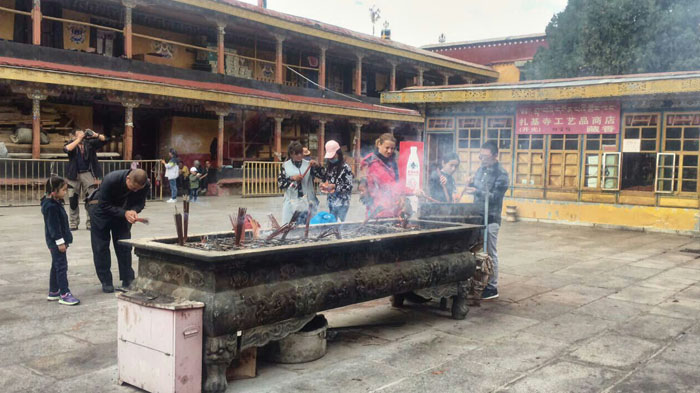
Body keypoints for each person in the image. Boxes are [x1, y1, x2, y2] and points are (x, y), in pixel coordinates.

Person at [89, 168, 150, 293]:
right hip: (101, 212)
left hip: (124, 212)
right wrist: (125, 213)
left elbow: (140, 203)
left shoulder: (145, 184)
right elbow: (103, 205)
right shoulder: (110, 179)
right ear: (128, 178)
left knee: (124, 245)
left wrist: (134, 210)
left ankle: (128, 278)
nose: (136, 191)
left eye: (138, 189)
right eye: (133, 188)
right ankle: (106, 280)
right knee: (101, 247)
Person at [463, 141, 509, 300]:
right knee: (474, 250)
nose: (482, 159)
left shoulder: (501, 174)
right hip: (477, 216)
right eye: (480, 156)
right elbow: (476, 186)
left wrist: (478, 191)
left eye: (485, 157)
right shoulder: (481, 169)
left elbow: (495, 197)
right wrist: (470, 182)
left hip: (491, 218)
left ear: (495, 156)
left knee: (490, 252)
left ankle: (492, 287)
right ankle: (476, 282)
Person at [359, 133, 420, 218]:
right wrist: (412, 191)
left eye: (392, 148)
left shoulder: (391, 162)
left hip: (391, 208)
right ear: (379, 145)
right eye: (387, 148)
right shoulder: (373, 163)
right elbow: (389, 184)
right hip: (378, 210)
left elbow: (397, 182)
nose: (389, 151)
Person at [41, 176, 80, 305]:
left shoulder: (55, 203)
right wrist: (60, 242)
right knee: (62, 266)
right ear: (54, 191)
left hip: (59, 241)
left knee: (56, 265)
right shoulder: (51, 206)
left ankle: (54, 291)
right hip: (57, 242)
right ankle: (64, 293)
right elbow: (54, 227)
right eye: (63, 190)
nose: (65, 192)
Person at [63, 128, 107, 230]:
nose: (83, 137)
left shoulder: (89, 144)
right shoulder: (71, 143)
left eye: (83, 135)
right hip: (73, 175)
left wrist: (95, 134)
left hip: (88, 173)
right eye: (79, 135)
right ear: (74, 136)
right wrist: (78, 140)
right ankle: (73, 223)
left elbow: (104, 140)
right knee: (73, 199)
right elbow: (67, 149)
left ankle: (90, 222)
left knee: (90, 199)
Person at [277, 141, 320, 224]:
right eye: (297, 154)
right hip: (291, 203)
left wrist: (317, 166)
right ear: (291, 154)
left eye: (301, 153)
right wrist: (292, 178)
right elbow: (280, 184)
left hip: (308, 202)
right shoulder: (285, 166)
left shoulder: (309, 165)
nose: (300, 155)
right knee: (290, 228)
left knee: (309, 229)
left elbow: (323, 175)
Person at [319, 140, 353, 221]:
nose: (331, 159)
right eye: (329, 158)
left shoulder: (345, 168)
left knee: (340, 225)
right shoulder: (330, 167)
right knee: (332, 223)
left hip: (342, 202)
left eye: (333, 157)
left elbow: (348, 187)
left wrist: (334, 186)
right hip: (331, 201)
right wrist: (324, 185)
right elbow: (326, 179)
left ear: (338, 154)